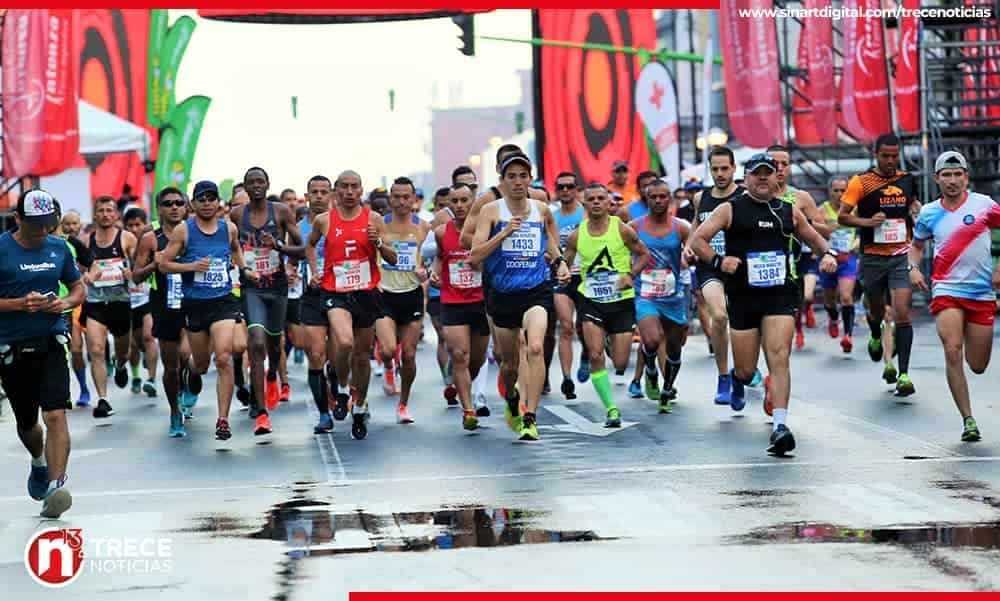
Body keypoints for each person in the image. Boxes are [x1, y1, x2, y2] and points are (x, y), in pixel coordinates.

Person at [691, 154, 836, 456]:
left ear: (776, 178)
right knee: (745, 371)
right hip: (743, 297)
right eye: (756, 174)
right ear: (746, 179)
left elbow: (811, 235)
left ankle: (780, 427)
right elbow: (697, 240)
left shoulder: (787, 210)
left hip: (779, 294)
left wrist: (827, 254)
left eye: (768, 174)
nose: (762, 179)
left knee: (779, 355)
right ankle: (739, 377)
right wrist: (719, 261)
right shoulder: (730, 209)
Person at [469, 153, 570, 441]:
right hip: (502, 294)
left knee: (535, 347)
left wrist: (559, 262)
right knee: (509, 363)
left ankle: (530, 416)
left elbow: (548, 241)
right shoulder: (491, 211)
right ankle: (512, 396)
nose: (517, 182)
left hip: (536, 290)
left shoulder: (541, 209)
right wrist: (503, 234)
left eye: (522, 176)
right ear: (501, 181)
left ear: (530, 179)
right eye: (511, 177)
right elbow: (474, 257)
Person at [0, 189, 84, 518]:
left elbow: (78, 288)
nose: (43, 230)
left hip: (50, 341)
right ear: (17, 219)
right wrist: (19, 305)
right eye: (36, 224)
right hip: (11, 347)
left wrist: (63, 303)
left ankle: (55, 487)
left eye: (49, 223)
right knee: (28, 422)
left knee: (56, 414)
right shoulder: (2, 248)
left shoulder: (59, 248)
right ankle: (38, 462)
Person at [910, 151, 1000, 442]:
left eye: (957, 174)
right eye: (946, 175)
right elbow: (917, 246)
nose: (952, 180)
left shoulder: (984, 205)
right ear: (937, 179)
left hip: (981, 292)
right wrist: (913, 268)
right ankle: (968, 419)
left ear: (966, 177)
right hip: (947, 289)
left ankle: (969, 410)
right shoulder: (928, 213)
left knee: (978, 364)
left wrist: (999, 266)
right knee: (952, 349)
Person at [307, 170, 397, 440]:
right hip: (335, 290)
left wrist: (378, 242)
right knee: (344, 342)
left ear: (360, 190)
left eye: (353, 187)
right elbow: (309, 246)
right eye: (343, 187)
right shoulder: (324, 220)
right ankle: (343, 387)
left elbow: (392, 258)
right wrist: (314, 270)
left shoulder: (374, 219)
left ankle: (358, 409)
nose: (348, 191)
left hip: (366, 292)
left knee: (361, 355)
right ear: (336, 191)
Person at [160, 180, 250, 441]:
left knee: (223, 357)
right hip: (195, 304)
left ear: (218, 202)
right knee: (200, 363)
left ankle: (223, 420)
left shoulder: (228, 228)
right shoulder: (183, 231)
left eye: (212, 198)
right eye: (202, 199)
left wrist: (243, 268)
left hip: (223, 301)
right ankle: (192, 373)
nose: (207, 203)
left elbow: (235, 248)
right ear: (194, 203)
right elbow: (164, 264)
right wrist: (191, 268)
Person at [837, 133, 920, 396]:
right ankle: (875, 333)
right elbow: (843, 217)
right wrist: (868, 222)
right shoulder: (861, 182)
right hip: (872, 257)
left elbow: (913, 204)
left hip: (899, 255)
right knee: (875, 310)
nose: (890, 161)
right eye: (885, 156)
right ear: (876, 154)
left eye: (895, 156)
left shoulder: (907, 179)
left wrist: (917, 210)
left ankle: (904, 373)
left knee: (902, 312)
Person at [564, 183, 650, 427]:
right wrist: (560, 269)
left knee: (620, 364)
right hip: (590, 300)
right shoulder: (576, 235)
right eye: (591, 199)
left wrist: (630, 276)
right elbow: (565, 262)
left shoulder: (621, 230)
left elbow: (644, 254)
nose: (596, 202)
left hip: (620, 302)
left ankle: (610, 339)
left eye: (601, 198)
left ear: (608, 201)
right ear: (584, 203)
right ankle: (611, 409)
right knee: (595, 355)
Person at [231, 167, 305, 435]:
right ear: (246, 188)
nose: (256, 186)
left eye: (260, 182)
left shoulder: (282, 211)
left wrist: (281, 251)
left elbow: (302, 247)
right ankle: (261, 413)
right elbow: (230, 245)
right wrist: (240, 266)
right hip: (252, 288)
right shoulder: (238, 215)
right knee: (257, 343)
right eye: (251, 183)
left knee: (275, 343)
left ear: (268, 184)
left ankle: (273, 374)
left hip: (277, 287)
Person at [685, 146, 744, 405]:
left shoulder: (744, 196)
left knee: (744, 323)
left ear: (734, 168)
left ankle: (742, 369)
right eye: (715, 169)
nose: (720, 174)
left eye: (724, 168)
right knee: (719, 316)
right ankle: (723, 376)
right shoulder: (701, 198)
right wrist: (688, 245)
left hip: (739, 267)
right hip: (710, 265)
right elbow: (698, 225)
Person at [432, 183, 491, 429]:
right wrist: (434, 273)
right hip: (453, 301)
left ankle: (460, 381)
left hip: (481, 301)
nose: (459, 206)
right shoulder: (441, 232)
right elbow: (439, 256)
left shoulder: (484, 229)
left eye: (464, 200)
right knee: (459, 355)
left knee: (475, 362)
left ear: (473, 201)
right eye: (454, 201)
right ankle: (468, 411)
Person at [132, 187, 190, 437]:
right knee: (172, 366)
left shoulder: (196, 232)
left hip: (194, 302)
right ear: (159, 209)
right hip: (164, 305)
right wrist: (155, 264)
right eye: (168, 204)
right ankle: (175, 411)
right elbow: (135, 275)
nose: (174, 207)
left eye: (179, 202)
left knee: (190, 358)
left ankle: (190, 387)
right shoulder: (150, 238)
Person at [767, 145, 835, 351]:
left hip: (792, 267)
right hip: (760, 269)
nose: (779, 168)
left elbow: (825, 232)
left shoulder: (801, 197)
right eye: (774, 164)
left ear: (789, 168)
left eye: (784, 164)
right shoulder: (754, 195)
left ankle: (781, 359)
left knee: (785, 320)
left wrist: (802, 222)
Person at [631, 180, 691, 414]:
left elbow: (695, 246)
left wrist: (690, 253)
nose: (658, 201)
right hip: (644, 294)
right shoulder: (634, 227)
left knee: (675, 348)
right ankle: (651, 371)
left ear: (671, 200)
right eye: (653, 197)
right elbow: (622, 252)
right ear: (647, 200)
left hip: (672, 297)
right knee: (652, 340)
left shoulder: (681, 227)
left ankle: (667, 388)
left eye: (663, 196)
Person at [375, 177, 431, 423]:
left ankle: (403, 404)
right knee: (387, 350)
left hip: (411, 294)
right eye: (396, 197)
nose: (401, 201)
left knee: (408, 355)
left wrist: (424, 273)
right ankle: (388, 368)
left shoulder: (424, 228)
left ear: (414, 199)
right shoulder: (379, 225)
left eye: (406, 197)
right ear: (390, 199)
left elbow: (428, 263)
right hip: (384, 294)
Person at [81, 195, 138, 418]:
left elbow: (137, 268)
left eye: (109, 210)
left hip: (120, 302)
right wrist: (88, 275)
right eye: (101, 210)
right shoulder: (87, 240)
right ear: (95, 214)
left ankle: (121, 365)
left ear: (116, 215)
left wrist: (130, 273)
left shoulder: (127, 238)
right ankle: (103, 400)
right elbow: (77, 272)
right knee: (96, 350)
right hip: (95, 303)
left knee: (123, 351)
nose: (105, 214)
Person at [297, 175, 340, 434]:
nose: (320, 196)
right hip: (311, 295)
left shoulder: (343, 224)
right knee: (315, 355)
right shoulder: (298, 228)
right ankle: (324, 414)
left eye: (325, 191)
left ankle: (343, 391)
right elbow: (289, 254)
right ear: (307, 196)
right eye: (315, 192)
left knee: (339, 356)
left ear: (331, 195)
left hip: (342, 294)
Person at [550, 172, 588, 399]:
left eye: (570, 186)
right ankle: (567, 378)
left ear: (576, 189)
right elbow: (548, 246)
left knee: (584, 325)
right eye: (561, 187)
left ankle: (585, 354)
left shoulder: (585, 213)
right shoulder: (552, 217)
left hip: (584, 276)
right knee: (565, 326)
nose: (565, 191)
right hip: (561, 277)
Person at [819, 176, 859, 353]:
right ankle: (833, 317)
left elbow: (865, 230)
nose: (839, 194)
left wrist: (858, 241)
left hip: (847, 258)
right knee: (829, 299)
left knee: (846, 297)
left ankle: (848, 336)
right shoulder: (822, 211)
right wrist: (826, 230)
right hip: (829, 259)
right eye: (836, 190)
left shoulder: (854, 210)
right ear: (830, 192)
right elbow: (815, 234)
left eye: (843, 191)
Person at [59, 210, 94, 407]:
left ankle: (107, 359)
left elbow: (93, 262)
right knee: (75, 349)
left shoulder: (77, 243)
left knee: (93, 346)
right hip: (65, 304)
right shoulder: (53, 243)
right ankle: (81, 388)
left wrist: (89, 275)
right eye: (67, 224)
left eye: (75, 224)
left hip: (84, 300)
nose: (71, 228)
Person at [123, 207, 158, 397]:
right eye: (130, 225)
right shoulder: (121, 245)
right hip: (128, 301)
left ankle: (151, 379)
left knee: (148, 336)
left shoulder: (151, 244)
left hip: (147, 298)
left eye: (138, 224)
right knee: (134, 345)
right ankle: (136, 375)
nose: (135, 229)